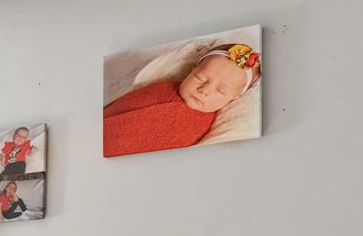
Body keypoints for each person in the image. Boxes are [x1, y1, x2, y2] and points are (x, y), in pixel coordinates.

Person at [103, 42, 260, 157]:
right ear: (191, 71)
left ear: (234, 98)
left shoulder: (197, 123)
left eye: (221, 91)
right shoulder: (163, 86)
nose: (204, 90)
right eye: (200, 78)